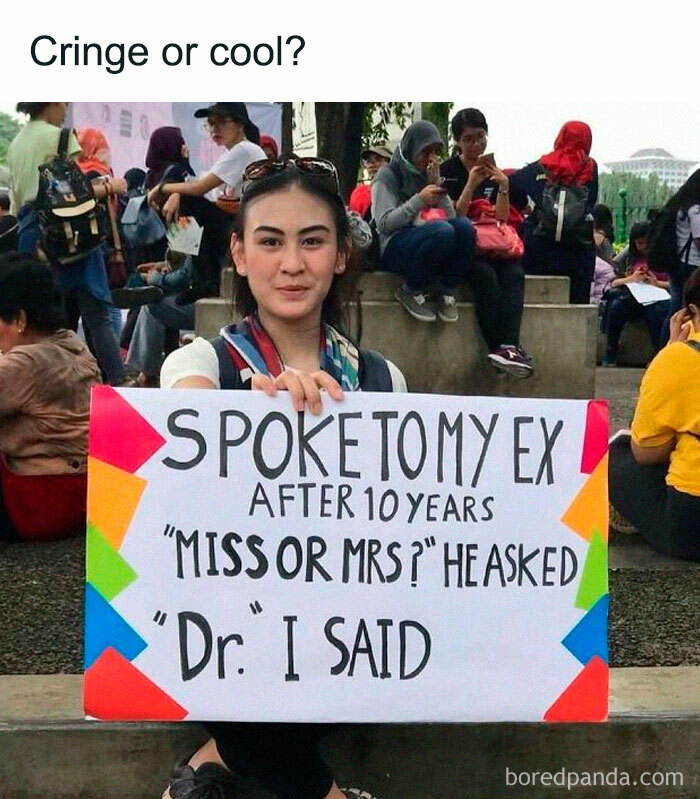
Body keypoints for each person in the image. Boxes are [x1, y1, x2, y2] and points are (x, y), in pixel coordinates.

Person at [160, 155, 405, 799]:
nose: (291, 264)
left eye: (312, 241)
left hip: (345, 629)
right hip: (228, 630)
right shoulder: (200, 362)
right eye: (270, 241)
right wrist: (254, 417)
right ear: (238, 253)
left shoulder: (382, 381)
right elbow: (177, 440)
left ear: (342, 254)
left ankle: (219, 763)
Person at [7, 103, 130, 386]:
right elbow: (73, 194)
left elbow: (18, 199)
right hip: (69, 231)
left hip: (30, 234)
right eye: (63, 103)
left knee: (45, 317)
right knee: (96, 313)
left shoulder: (16, 143)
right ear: (49, 102)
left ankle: (49, 383)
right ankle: (119, 382)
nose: (65, 109)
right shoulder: (60, 138)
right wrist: (111, 187)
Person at [0, 253, 101, 541]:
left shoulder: (24, 363)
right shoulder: (71, 342)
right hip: (86, 490)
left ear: (19, 319)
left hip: (43, 501)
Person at [608, 266, 700, 561]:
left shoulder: (680, 357)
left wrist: (669, 351)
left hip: (692, 522)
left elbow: (646, 452)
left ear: (690, 312)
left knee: (616, 453)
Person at [441, 107, 533, 376]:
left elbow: (503, 219)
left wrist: (503, 187)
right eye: (469, 139)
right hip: (463, 246)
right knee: (485, 278)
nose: (476, 145)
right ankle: (500, 349)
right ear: (458, 141)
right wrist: (471, 183)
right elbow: (453, 215)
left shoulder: (496, 171)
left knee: (514, 274)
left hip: (492, 244)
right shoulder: (449, 171)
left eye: (481, 137)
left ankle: (508, 348)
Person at [148, 103, 266, 300]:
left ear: (240, 124)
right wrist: (176, 192)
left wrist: (162, 188)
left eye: (221, 123)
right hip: (240, 224)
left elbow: (199, 188)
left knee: (188, 202)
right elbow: (203, 189)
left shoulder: (244, 150)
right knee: (186, 201)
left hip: (246, 226)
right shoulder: (235, 153)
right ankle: (182, 267)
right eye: (211, 124)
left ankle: (200, 277)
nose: (214, 129)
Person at [510, 121, 598, 304]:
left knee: (532, 306)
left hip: (538, 249)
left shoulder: (540, 167)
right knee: (577, 313)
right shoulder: (590, 168)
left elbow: (514, 187)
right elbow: (590, 202)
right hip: (578, 252)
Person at [602, 221, 670, 366]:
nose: (643, 248)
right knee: (617, 306)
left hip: (659, 298)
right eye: (639, 244)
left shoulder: (665, 256)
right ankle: (611, 349)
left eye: (646, 243)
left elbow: (677, 285)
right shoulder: (630, 257)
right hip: (636, 296)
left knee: (655, 312)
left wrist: (657, 283)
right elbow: (613, 282)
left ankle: (658, 352)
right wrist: (632, 279)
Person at [125, 252, 195, 386]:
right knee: (153, 299)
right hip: (207, 295)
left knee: (153, 303)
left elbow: (182, 278)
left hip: (206, 302)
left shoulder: (201, 236)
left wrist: (155, 278)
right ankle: (146, 371)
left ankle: (146, 372)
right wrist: (164, 266)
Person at [348, 144, 391, 220]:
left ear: (390, 163)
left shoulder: (402, 191)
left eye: (378, 160)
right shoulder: (359, 193)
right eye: (368, 162)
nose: (371, 165)